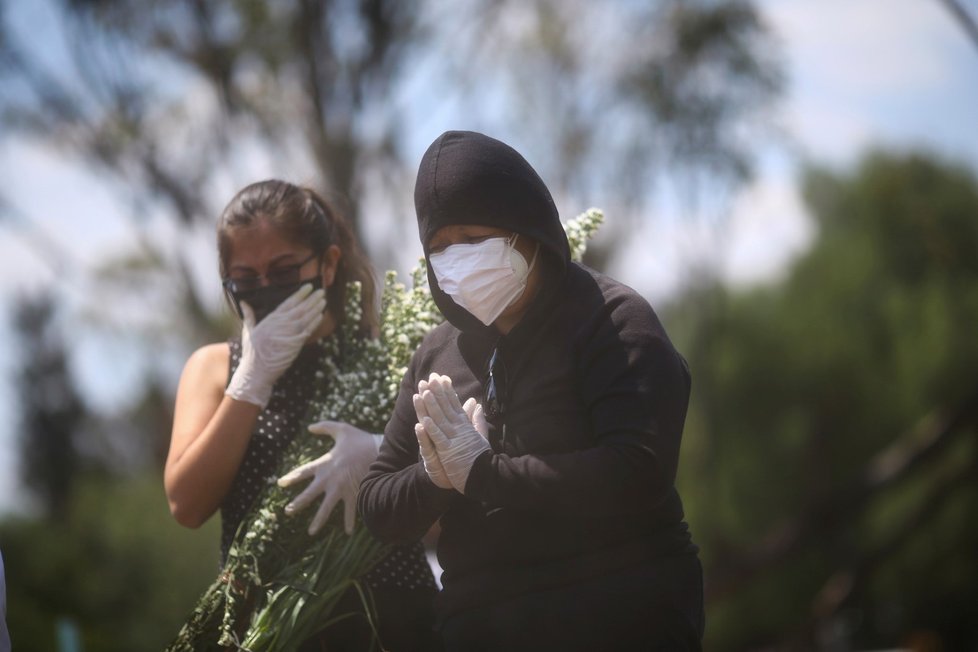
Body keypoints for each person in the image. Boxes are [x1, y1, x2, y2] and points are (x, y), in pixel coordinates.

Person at [358, 130, 705, 650]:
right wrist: (436, 477)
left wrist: (483, 473)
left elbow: (639, 470)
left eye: (472, 239)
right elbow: (378, 505)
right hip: (480, 626)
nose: (456, 259)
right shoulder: (437, 355)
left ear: (523, 227)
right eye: (439, 247)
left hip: (621, 618)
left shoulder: (612, 320)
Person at [164, 179, 439, 651]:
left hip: (394, 617)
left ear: (327, 265)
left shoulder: (391, 357)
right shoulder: (214, 367)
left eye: (284, 269)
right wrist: (251, 382)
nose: (267, 289)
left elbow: (455, 476)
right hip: (267, 621)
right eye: (247, 279)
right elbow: (186, 505)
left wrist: (382, 452)